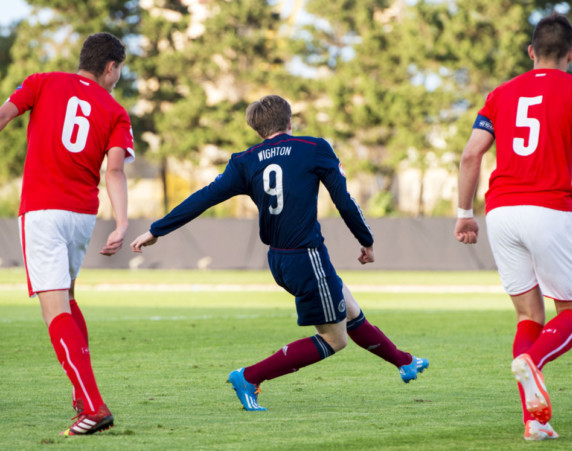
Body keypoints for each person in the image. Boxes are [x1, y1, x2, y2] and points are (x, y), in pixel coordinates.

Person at [130, 94, 428, 411]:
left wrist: (156, 230)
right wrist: (365, 239)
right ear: (290, 121)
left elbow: (203, 198)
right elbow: (343, 199)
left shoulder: (245, 160)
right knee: (334, 339)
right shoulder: (314, 148)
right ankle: (249, 377)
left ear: (258, 131)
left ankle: (404, 362)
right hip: (306, 257)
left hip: (279, 259)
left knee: (349, 308)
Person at [453, 13, 572, 441]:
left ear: (531, 52)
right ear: (571, 54)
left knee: (528, 315)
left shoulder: (500, 94)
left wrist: (463, 212)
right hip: (549, 210)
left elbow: (471, 155)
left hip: (501, 214)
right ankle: (534, 362)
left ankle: (536, 421)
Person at [0, 33, 135, 436]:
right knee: (69, 300)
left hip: (42, 211)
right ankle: (82, 397)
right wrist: (123, 222)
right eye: (118, 71)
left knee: (53, 309)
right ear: (110, 67)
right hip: (81, 216)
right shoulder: (115, 110)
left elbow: (4, 115)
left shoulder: (42, 81)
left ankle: (93, 406)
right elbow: (114, 171)